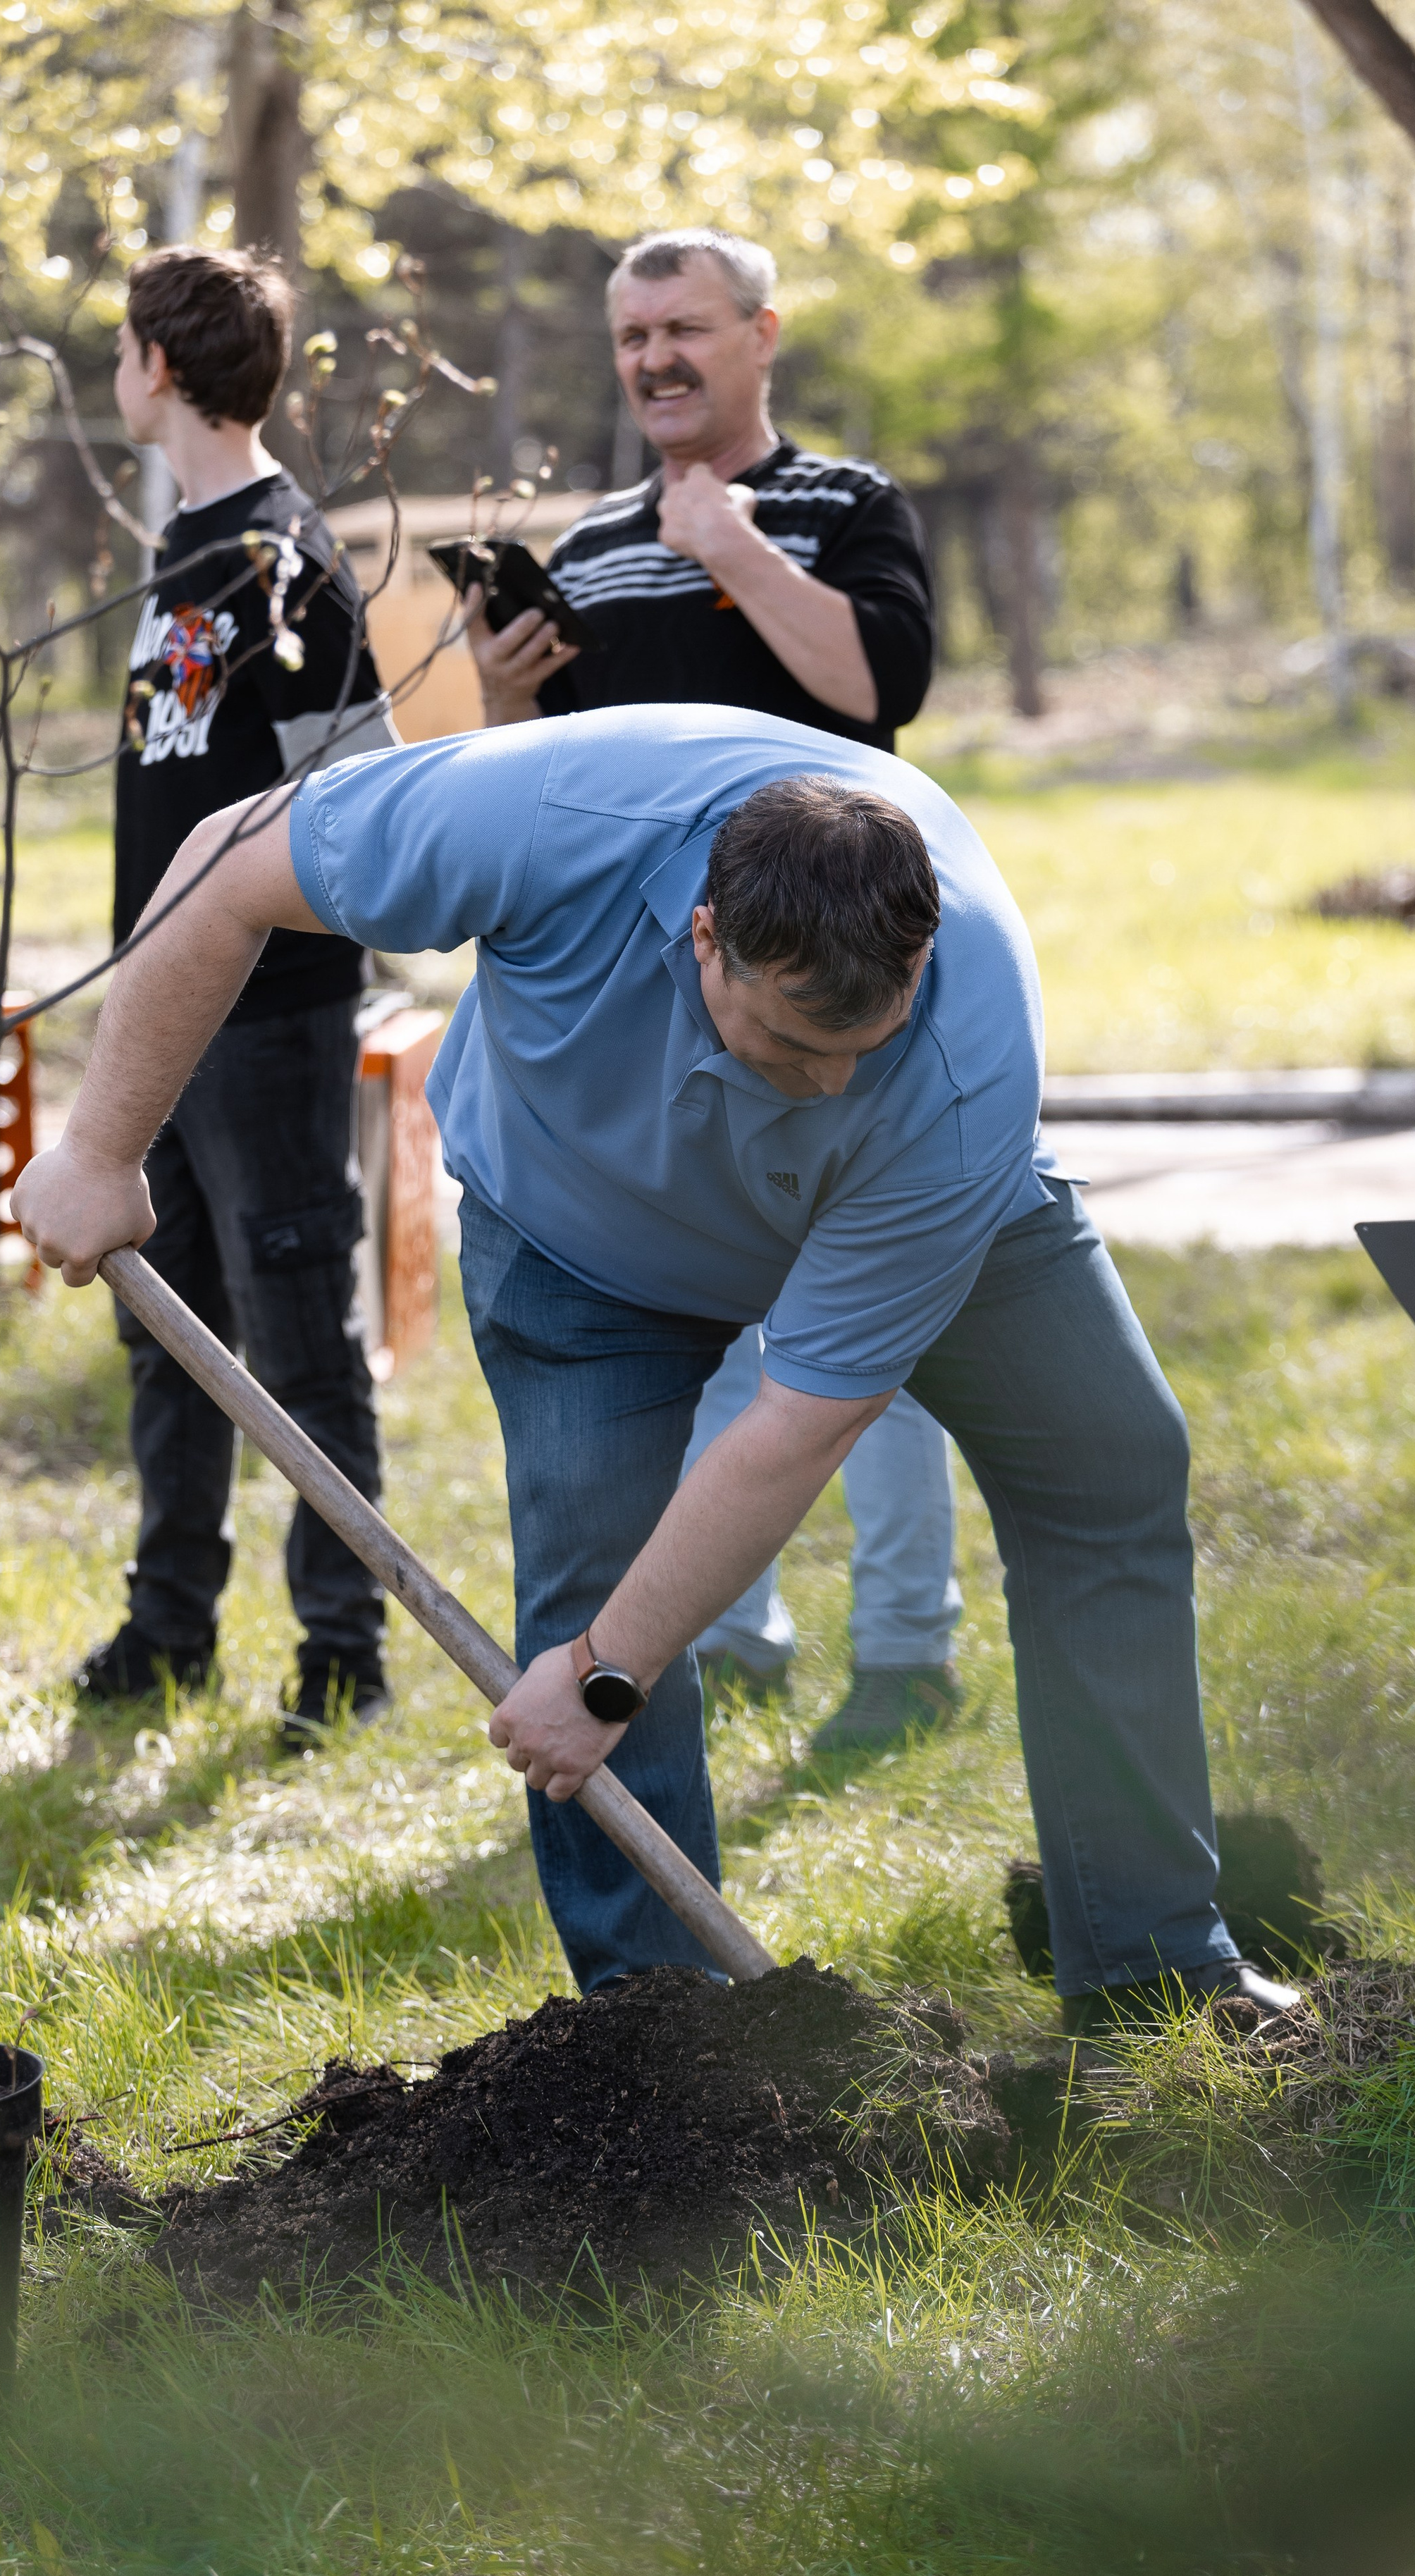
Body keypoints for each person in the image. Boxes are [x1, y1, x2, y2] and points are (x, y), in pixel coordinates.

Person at [13, 701, 1298, 2030]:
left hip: (918, 1206)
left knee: (1112, 1464)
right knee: (598, 1589)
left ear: (913, 972)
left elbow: (793, 1430)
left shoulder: (961, 1058)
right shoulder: (548, 819)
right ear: (706, 936)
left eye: (857, 1050)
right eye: (793, 1044)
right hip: (581, 1237)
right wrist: (104, 1148)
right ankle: (663, 2050)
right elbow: (226, 867)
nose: (822, 1083)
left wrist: (605, 1675)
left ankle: (1153, 1972)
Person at [464, 227, 962, 1759]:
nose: (653, 360)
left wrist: (733, 548)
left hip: (839, 975)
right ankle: (731, 1636)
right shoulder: (599, 536)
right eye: (630, 338)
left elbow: (880, 687)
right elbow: (554, 778)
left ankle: (904, 1655)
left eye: (682, 328)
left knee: (866, 1340)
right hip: (662, 998)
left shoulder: (839, 504)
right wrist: (500, 689)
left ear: (760, 332)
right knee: (687, 1314)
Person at [76, 244, 397, 1744]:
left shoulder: (283, 554)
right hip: (163, 1016)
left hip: (267, 1019)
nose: (117, 372)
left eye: (126, 348)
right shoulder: (184, 547)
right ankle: (169, 1626)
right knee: (170, 1326)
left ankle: (343, 1650)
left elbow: (360, 797)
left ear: (163, 364)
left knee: (297, 1329)